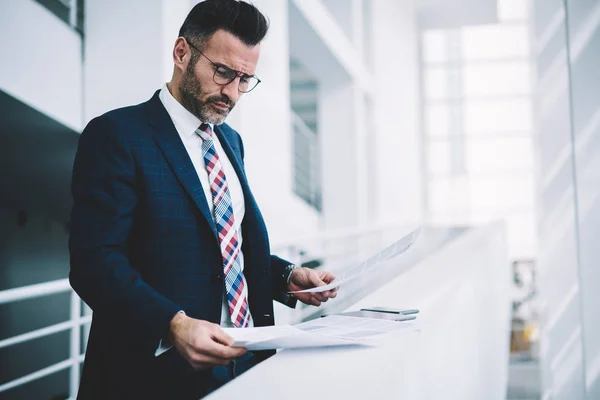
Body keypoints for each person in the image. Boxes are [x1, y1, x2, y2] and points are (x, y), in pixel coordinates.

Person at [68, 1, 338, 398]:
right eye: (223, 72)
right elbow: (95, 262)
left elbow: (224, 249)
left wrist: (286, 276)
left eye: (245, 79)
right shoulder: (117, 135)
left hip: (246, 366)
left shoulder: (231, 142)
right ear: (181, 53)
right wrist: (173, 324)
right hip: (153, 379)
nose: (232, 92)